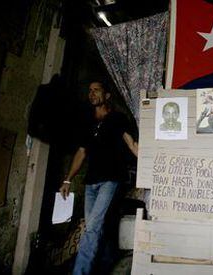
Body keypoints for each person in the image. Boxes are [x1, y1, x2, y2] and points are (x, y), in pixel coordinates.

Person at [59, 81, 138, 275]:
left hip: (110, 179)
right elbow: (81, 152)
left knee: (92, 227)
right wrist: (68, 179)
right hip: (91, 182)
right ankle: (106, 263)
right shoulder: (88, 122)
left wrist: (153, 165)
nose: (91, 93)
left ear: (107, 95)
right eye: (89, 90)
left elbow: (131, 144)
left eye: (96, 90)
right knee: (97, 227)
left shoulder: (118, 118)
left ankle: (80, 271)